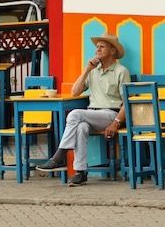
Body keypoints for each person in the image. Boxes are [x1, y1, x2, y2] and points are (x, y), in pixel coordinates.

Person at [36, 34, 130, 186]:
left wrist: (116, 123)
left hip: (110, 114)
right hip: (92, 114)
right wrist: (87, 69)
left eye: (102, 47)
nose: (97, 50)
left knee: (74, 114)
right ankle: (80, 173)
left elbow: (126, 102)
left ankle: (60, 155)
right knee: (80, 127)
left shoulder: (121, 71)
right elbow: (75, 92)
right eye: (97, 47)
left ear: (112, 51)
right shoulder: (93, 71)